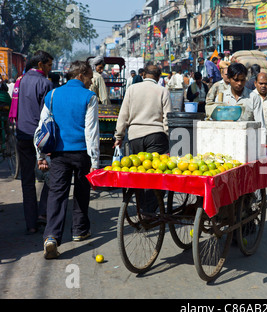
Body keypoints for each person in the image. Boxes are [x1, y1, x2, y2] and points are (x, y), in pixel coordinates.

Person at [36, 60, 100, 259]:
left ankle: (52, 237)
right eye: (89, 77)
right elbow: (91, 132)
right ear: (81, 75)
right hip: (81, 153)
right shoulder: (89, 96)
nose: (91, 81)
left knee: (57, 194)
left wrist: (41, 155)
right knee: (82, 191)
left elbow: (41, 129)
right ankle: (79, 230)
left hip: (59, 154)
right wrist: (95, 163)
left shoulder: (53, 95)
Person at [114, 63, 172, 215]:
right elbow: (167, 118)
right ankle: (149, 209)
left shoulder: (132, 89)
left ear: (144, 75)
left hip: (135, 137)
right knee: (156, 174)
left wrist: (118, 136)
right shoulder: (162, 90)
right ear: (158, 77)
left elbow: (123, 115)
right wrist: (169, 137)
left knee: (140, 172)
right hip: (156, 136)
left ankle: (142, 207)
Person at [13, 50, 53, 234]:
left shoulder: (19, 81)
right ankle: (43, 213)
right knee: (52, 175)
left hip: (22, 135)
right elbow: (47, 115)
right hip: (40, 138)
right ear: (40, 65)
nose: (50, 69)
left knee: (27, 181)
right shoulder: (45, 83)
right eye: (49, 65)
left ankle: (31, 224)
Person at [207, 63, 266, 142]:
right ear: (229, 78)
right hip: (226, 141)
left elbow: (261, 125)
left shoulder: (253, 97)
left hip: (248, 141)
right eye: (236, 80)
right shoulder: (221, 97)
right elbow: (216, 124)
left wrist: (261, 145)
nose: (239, 83)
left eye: (242, 80)